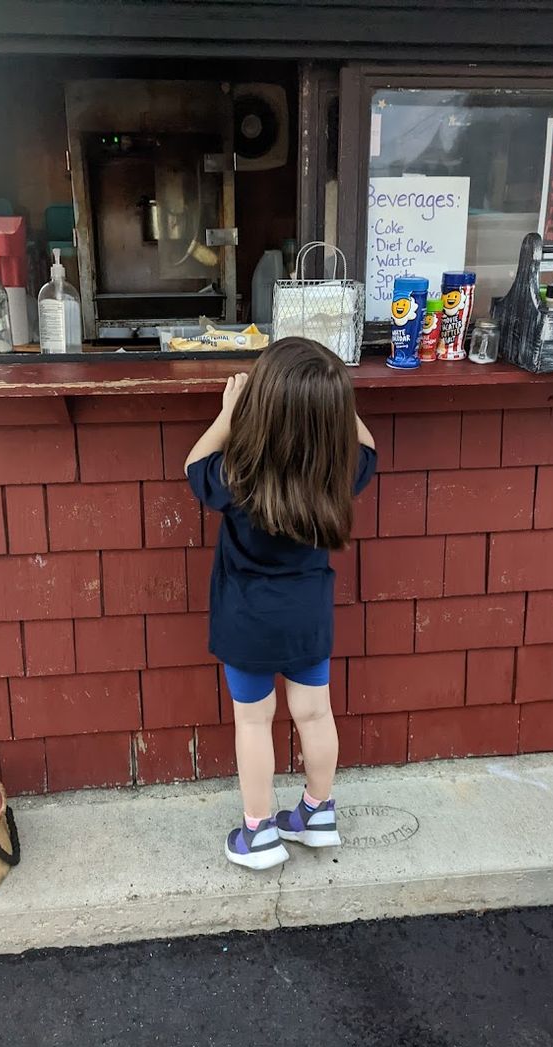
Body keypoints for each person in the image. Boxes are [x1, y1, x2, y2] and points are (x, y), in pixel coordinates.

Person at [185, 338, 377, 870]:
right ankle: (317, 814)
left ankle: (259, 834)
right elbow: (369, 447)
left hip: (247, 620)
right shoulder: (339, 472)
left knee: (254, 723)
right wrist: (335, 406)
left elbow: (192, 463)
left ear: (260, 407)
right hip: (306, 618)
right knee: (315, 714)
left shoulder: (235, 475)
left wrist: (228, 414)